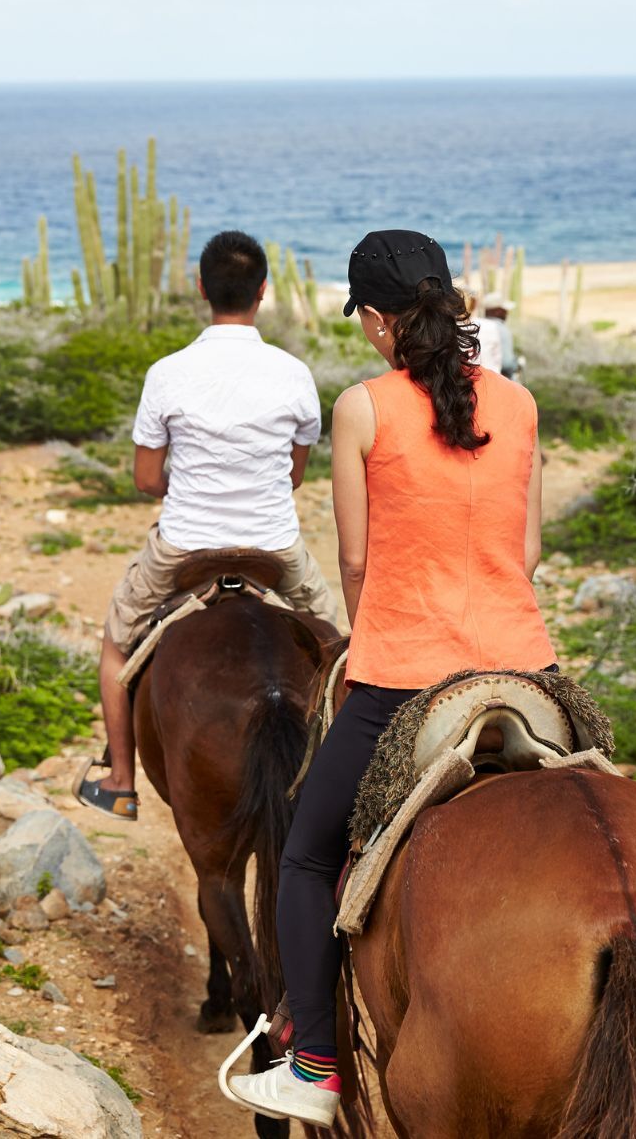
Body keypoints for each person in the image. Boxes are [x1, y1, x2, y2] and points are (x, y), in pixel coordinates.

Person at [226, 230, 557, 1129]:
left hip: (407, 677)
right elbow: (527, 553)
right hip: (526, 669)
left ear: (376, 321)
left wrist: (376, 643)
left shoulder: (362, 408)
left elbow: (357, 563)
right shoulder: (520, 402)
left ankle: (314, 1064)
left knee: (305, 854)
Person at [76, 230, 340, 821]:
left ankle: (120, 782)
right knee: (341, 646)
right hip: (274, 547)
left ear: (201, 288)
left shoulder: (167, 373)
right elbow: (293, 475)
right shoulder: (293, 373)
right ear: (263, 291)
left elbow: (147, 478)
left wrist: (189, 486)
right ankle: (361, 782)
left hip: (185, 547)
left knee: (116, 646)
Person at [476, 291, 519, 377]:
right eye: (504, 310)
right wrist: (516, 364)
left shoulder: (475, 325)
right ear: (497, 311)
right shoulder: (501, 329)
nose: (507, 313)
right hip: (497, 379)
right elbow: (507, 364)